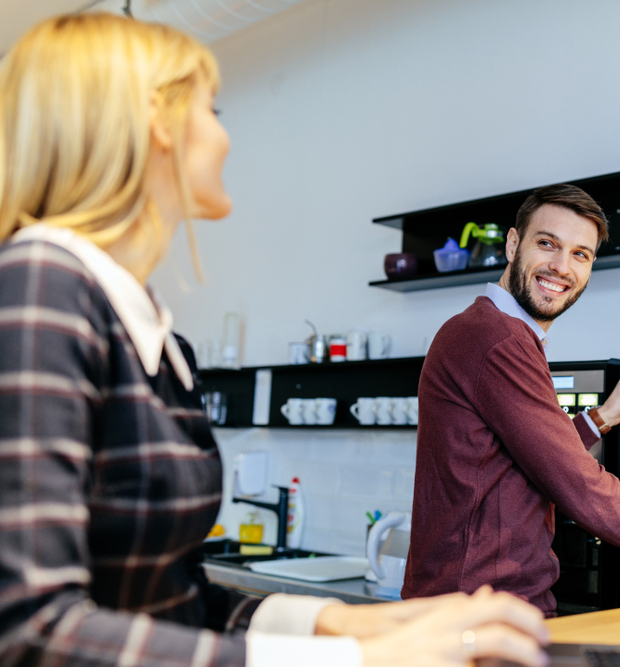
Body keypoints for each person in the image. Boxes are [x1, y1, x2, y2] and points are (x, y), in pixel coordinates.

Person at [0, 13, 549, 667]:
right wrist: (356, 661)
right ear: (155, 123)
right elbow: (31, 630)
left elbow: (175, 601)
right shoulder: (42, 282)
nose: (224, 138)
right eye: (211, 110)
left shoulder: (161, 343)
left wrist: (347, 623)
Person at [403, 184, 620, 616]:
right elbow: (573, 478)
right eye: (547, 243)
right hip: (479, 614)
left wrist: (603, 416)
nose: (561, 266)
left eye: (580, 254)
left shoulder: (488, 331)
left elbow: (524, 454)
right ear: (513, 244)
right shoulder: (497, 338)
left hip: (472, 608)